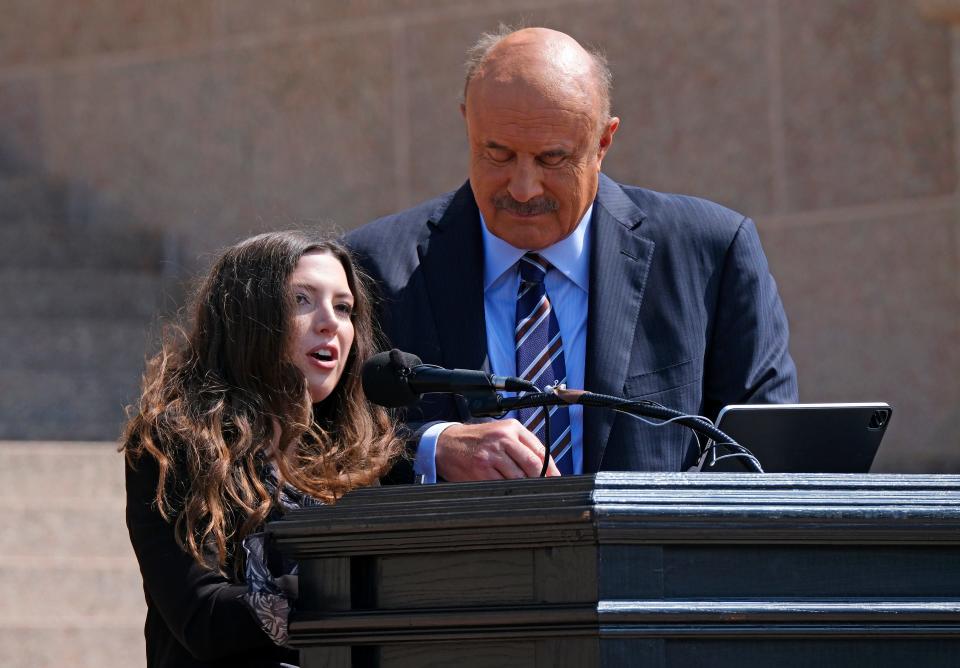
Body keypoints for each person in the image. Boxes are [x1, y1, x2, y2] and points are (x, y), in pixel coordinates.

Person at [346, 26, 797, 482]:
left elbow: (765, 451)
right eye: (497, 154)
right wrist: (432, 447)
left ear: (603, 143)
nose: (523, 189)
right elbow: (320, 444)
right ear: (468, 124)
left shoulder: (709, 252)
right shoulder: (375, 266)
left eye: (552, 159)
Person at [121, 232, 403, 667]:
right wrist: (349, 589)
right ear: (248, 317)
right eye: (302, 301)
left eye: (344, 307)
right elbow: (204, 618)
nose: (331, 322)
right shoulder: (177, 443)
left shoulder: (361, 452)